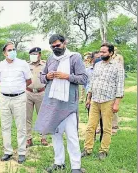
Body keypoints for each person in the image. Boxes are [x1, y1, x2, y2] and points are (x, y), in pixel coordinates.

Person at [34, 34, 87, 173]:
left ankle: (76, 167)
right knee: (56, 134)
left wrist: (67, 76)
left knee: (72, 136)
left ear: (65, 43)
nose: (55, 49)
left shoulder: (75, 57)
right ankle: (59, 163)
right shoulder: (51, 58)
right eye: (52, 47)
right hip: (53, 103)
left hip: (68, 104)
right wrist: (47, 76)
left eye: (58, 45)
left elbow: (83, 78)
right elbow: (42, 76)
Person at [82, 43, 124, 160]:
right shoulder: (98, 65)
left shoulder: (117, 67)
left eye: (104, 52)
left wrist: (116, 103)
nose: (101, 54)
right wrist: (88, 98)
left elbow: (120, 86)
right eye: (100, 52)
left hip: (108, 101)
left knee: (106, 128)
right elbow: (92, 82)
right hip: (95, 100)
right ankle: (87, 149)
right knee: (91, 127)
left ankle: (103, 151)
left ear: (111, 53)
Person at [0, 42, 32, 164]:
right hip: (4, 99)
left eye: (13, 49)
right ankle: (8, 151)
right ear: (4, 53)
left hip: (19, 98)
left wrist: (17, 89)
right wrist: (8, 90)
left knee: (21, 126)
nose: (12, 51)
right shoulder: (0, 65)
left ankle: (21, 152)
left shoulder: (23, 64)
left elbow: (28, 80)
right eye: (9, 50)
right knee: (5, 126)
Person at [26, 47, 48, 147]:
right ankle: (28, 139)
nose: (33, 56)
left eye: (35, 54)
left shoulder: (45, 65)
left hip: (41, 93)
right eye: (32, 54)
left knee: (42, 116)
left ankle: (43, 137)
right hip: (28, 93)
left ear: (40, 55)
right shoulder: (26, 65)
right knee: (27, 117)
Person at [111, 47, 124, 134]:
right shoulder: (106, 57)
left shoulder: (119, 57)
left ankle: (114, 126)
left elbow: (121, 68)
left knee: (113, 106)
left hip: (115, 84)